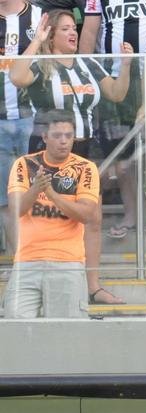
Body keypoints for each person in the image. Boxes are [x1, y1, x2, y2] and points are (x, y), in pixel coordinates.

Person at [10, 12, 132, 307]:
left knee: (93, 217)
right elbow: (16, 76)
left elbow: (116, 93)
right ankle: (28, 277)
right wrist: (36, 42)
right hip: (48, 149)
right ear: (51, 35)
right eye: (65, 29)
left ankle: (92, 285)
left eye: (73, 28)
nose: (73, 32)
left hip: (85, 148)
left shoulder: (88, 63)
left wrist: (126, 65)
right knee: (41, 212)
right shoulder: (42, 63)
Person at [81, 0, 146, 242]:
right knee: (121, 151)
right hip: (115, 78)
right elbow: (89, 31)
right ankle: (131, 213)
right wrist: (84, 73)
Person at [3, 112, 100, 319]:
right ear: (45, 137)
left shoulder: (86, 168)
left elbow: (86, 215)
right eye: (57, 135)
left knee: (66, 331)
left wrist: (52, 194)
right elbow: (16, 210)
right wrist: (36, 188)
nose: (63, 141)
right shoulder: (24, 164)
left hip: (68, 262)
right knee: (15, 327)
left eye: (68, 135)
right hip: (26, 261)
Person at [0, 0, 44, 253]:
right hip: (0, 124)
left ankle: (38, 256)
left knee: (38, 194)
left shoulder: (38, 15)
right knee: (6, 199)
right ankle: (20, 261)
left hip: (33, 119)